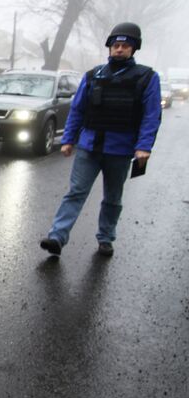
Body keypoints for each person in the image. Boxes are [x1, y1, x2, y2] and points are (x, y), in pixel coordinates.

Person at [40, 22, 161, 258]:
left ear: (133, 49)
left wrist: (144, 147)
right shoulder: (93, 75)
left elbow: (151, 115)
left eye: (125, 46)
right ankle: (57, 237)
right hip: (89, 146)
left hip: (121, 149)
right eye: (116, 45)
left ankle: (105, 238)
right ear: (109, 48)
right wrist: (68, 139)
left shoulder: (147, 77)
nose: (119, 50)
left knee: (113, 198)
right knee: (75, 192)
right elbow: (78, 109)